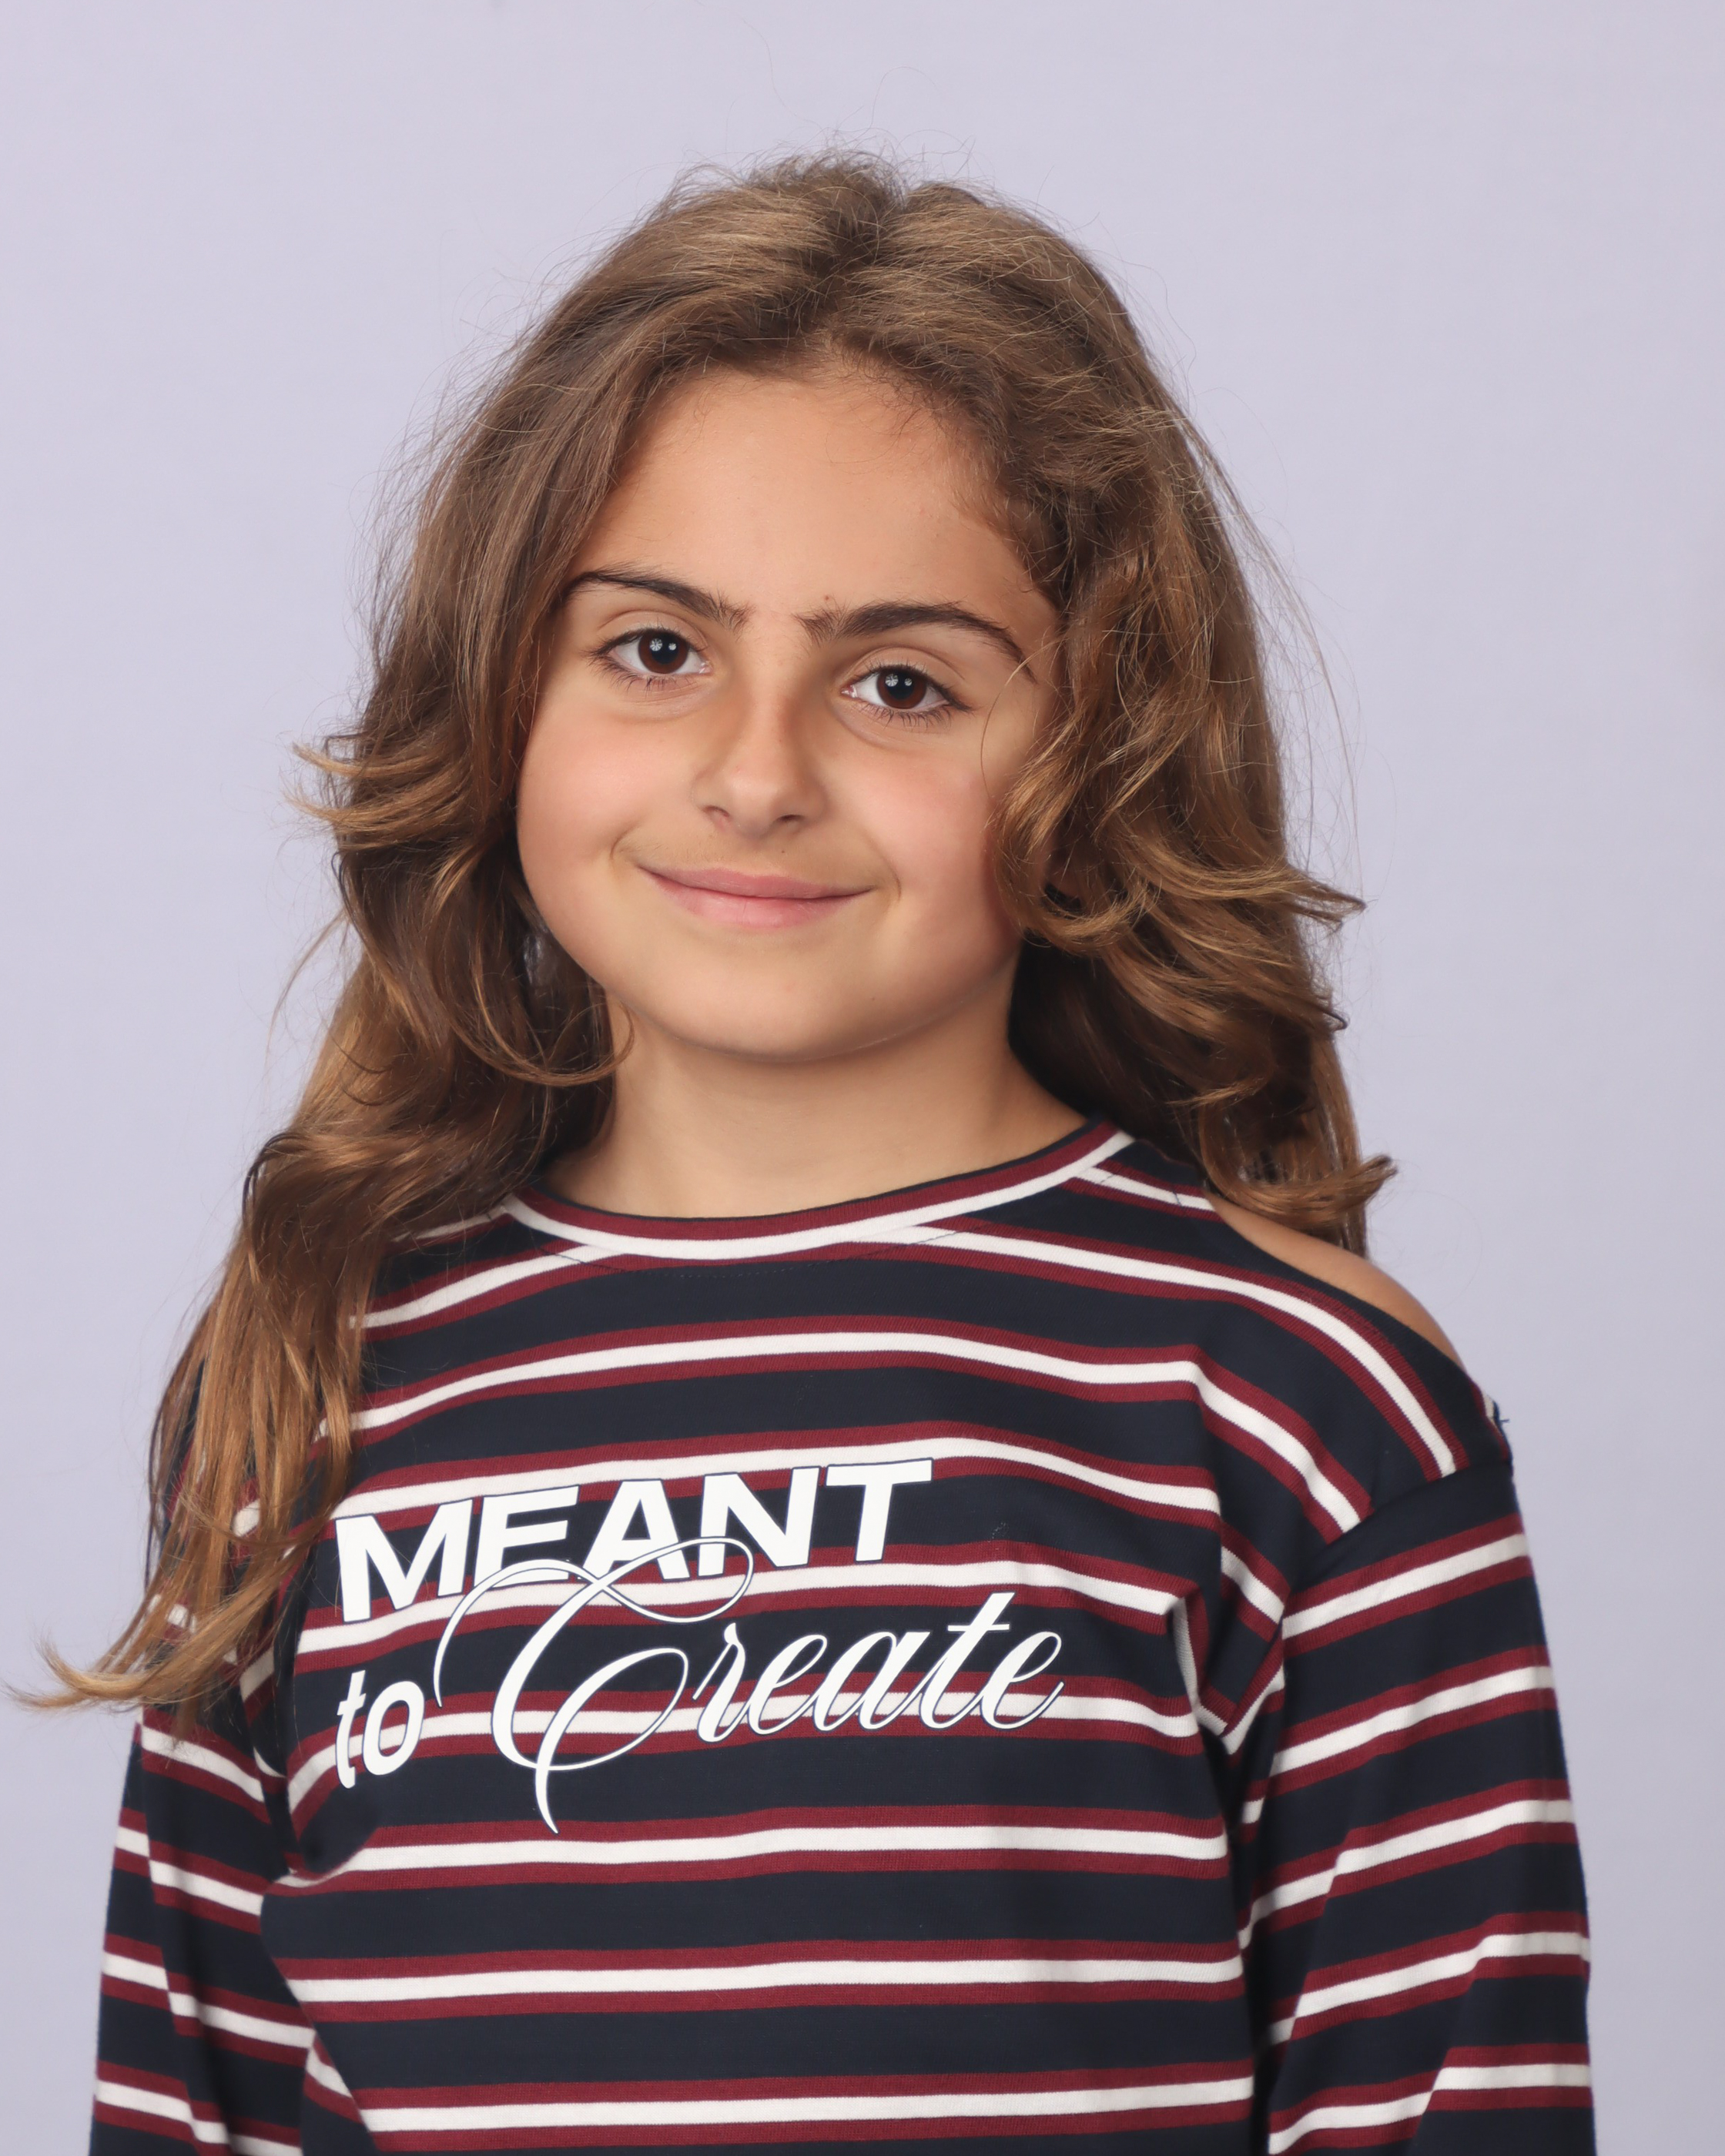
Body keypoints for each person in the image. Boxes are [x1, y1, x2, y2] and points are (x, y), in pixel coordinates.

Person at [59, 156, 1593, 2153]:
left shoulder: (1296, 1407)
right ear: (500, 693)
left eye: (900, 683)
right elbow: (192, 2100)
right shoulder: (315, 1383)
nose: (759, 772)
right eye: (657, 650)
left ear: (1102, 748)